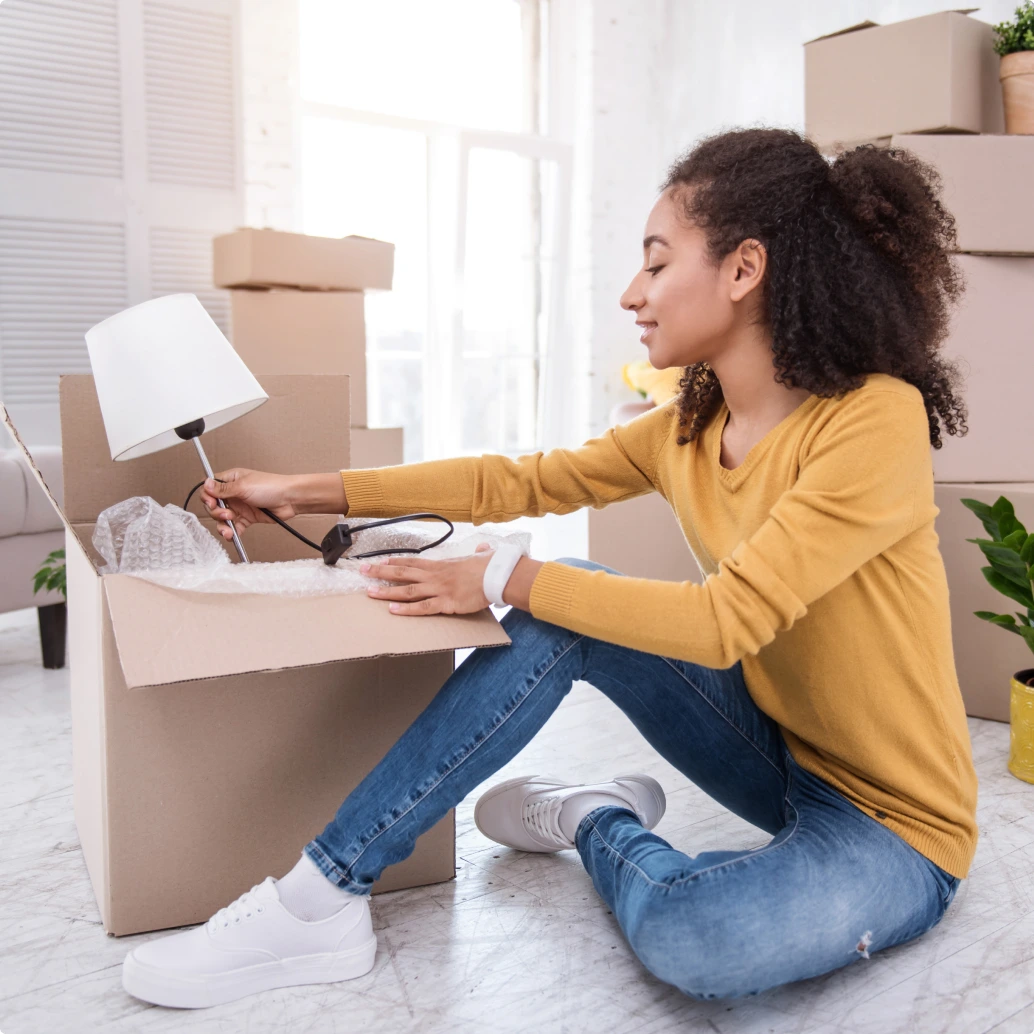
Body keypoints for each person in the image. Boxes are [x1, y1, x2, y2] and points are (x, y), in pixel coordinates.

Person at [121, 127, 975, 1010]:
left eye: (654, 264)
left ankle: (592, 815)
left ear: (743, 269)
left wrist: (504, 577)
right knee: (558, 609)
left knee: (697, 938)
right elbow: (518, 480)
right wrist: (307, 490)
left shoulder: (874, 421)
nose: (630, 295)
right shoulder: (687, 427)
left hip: (895, 823)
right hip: (774, 750)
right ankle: (321, 897)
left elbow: (728, 621)